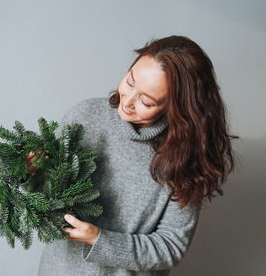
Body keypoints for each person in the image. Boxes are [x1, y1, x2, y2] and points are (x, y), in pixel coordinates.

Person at [28, 35, 239, 276]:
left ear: (176, 107)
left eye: (146, 101)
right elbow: (44, 197)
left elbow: (171, 246)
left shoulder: (185, 158)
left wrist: (99, 239)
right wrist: (29, 173)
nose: (127, 101)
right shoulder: (85, 117)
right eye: (130, 82)